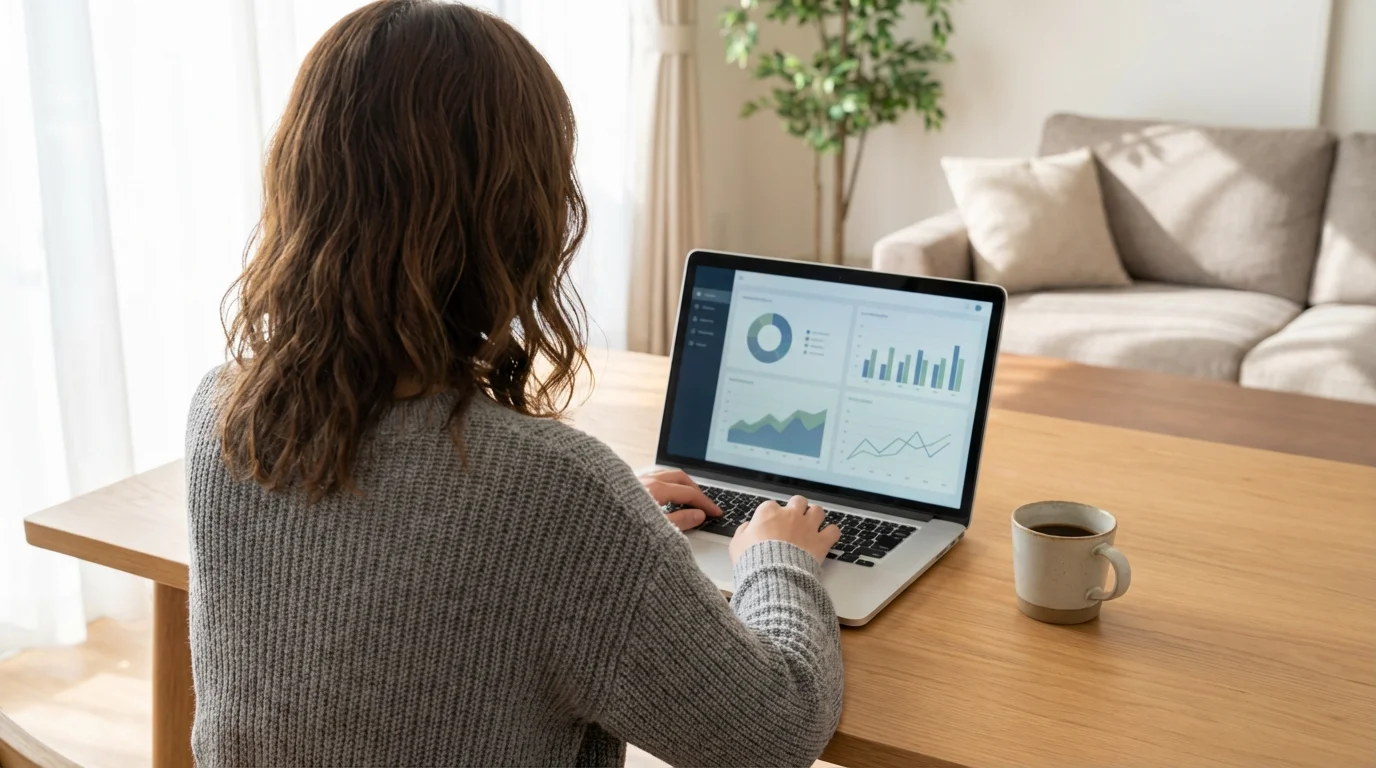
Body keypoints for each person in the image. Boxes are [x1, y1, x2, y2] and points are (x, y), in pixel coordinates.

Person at [185, 1, 844, 765]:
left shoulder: (221, 413)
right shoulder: (559, 494)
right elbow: (776, 734)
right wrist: (776, 559)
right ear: (519, 217)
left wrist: (603, 529)